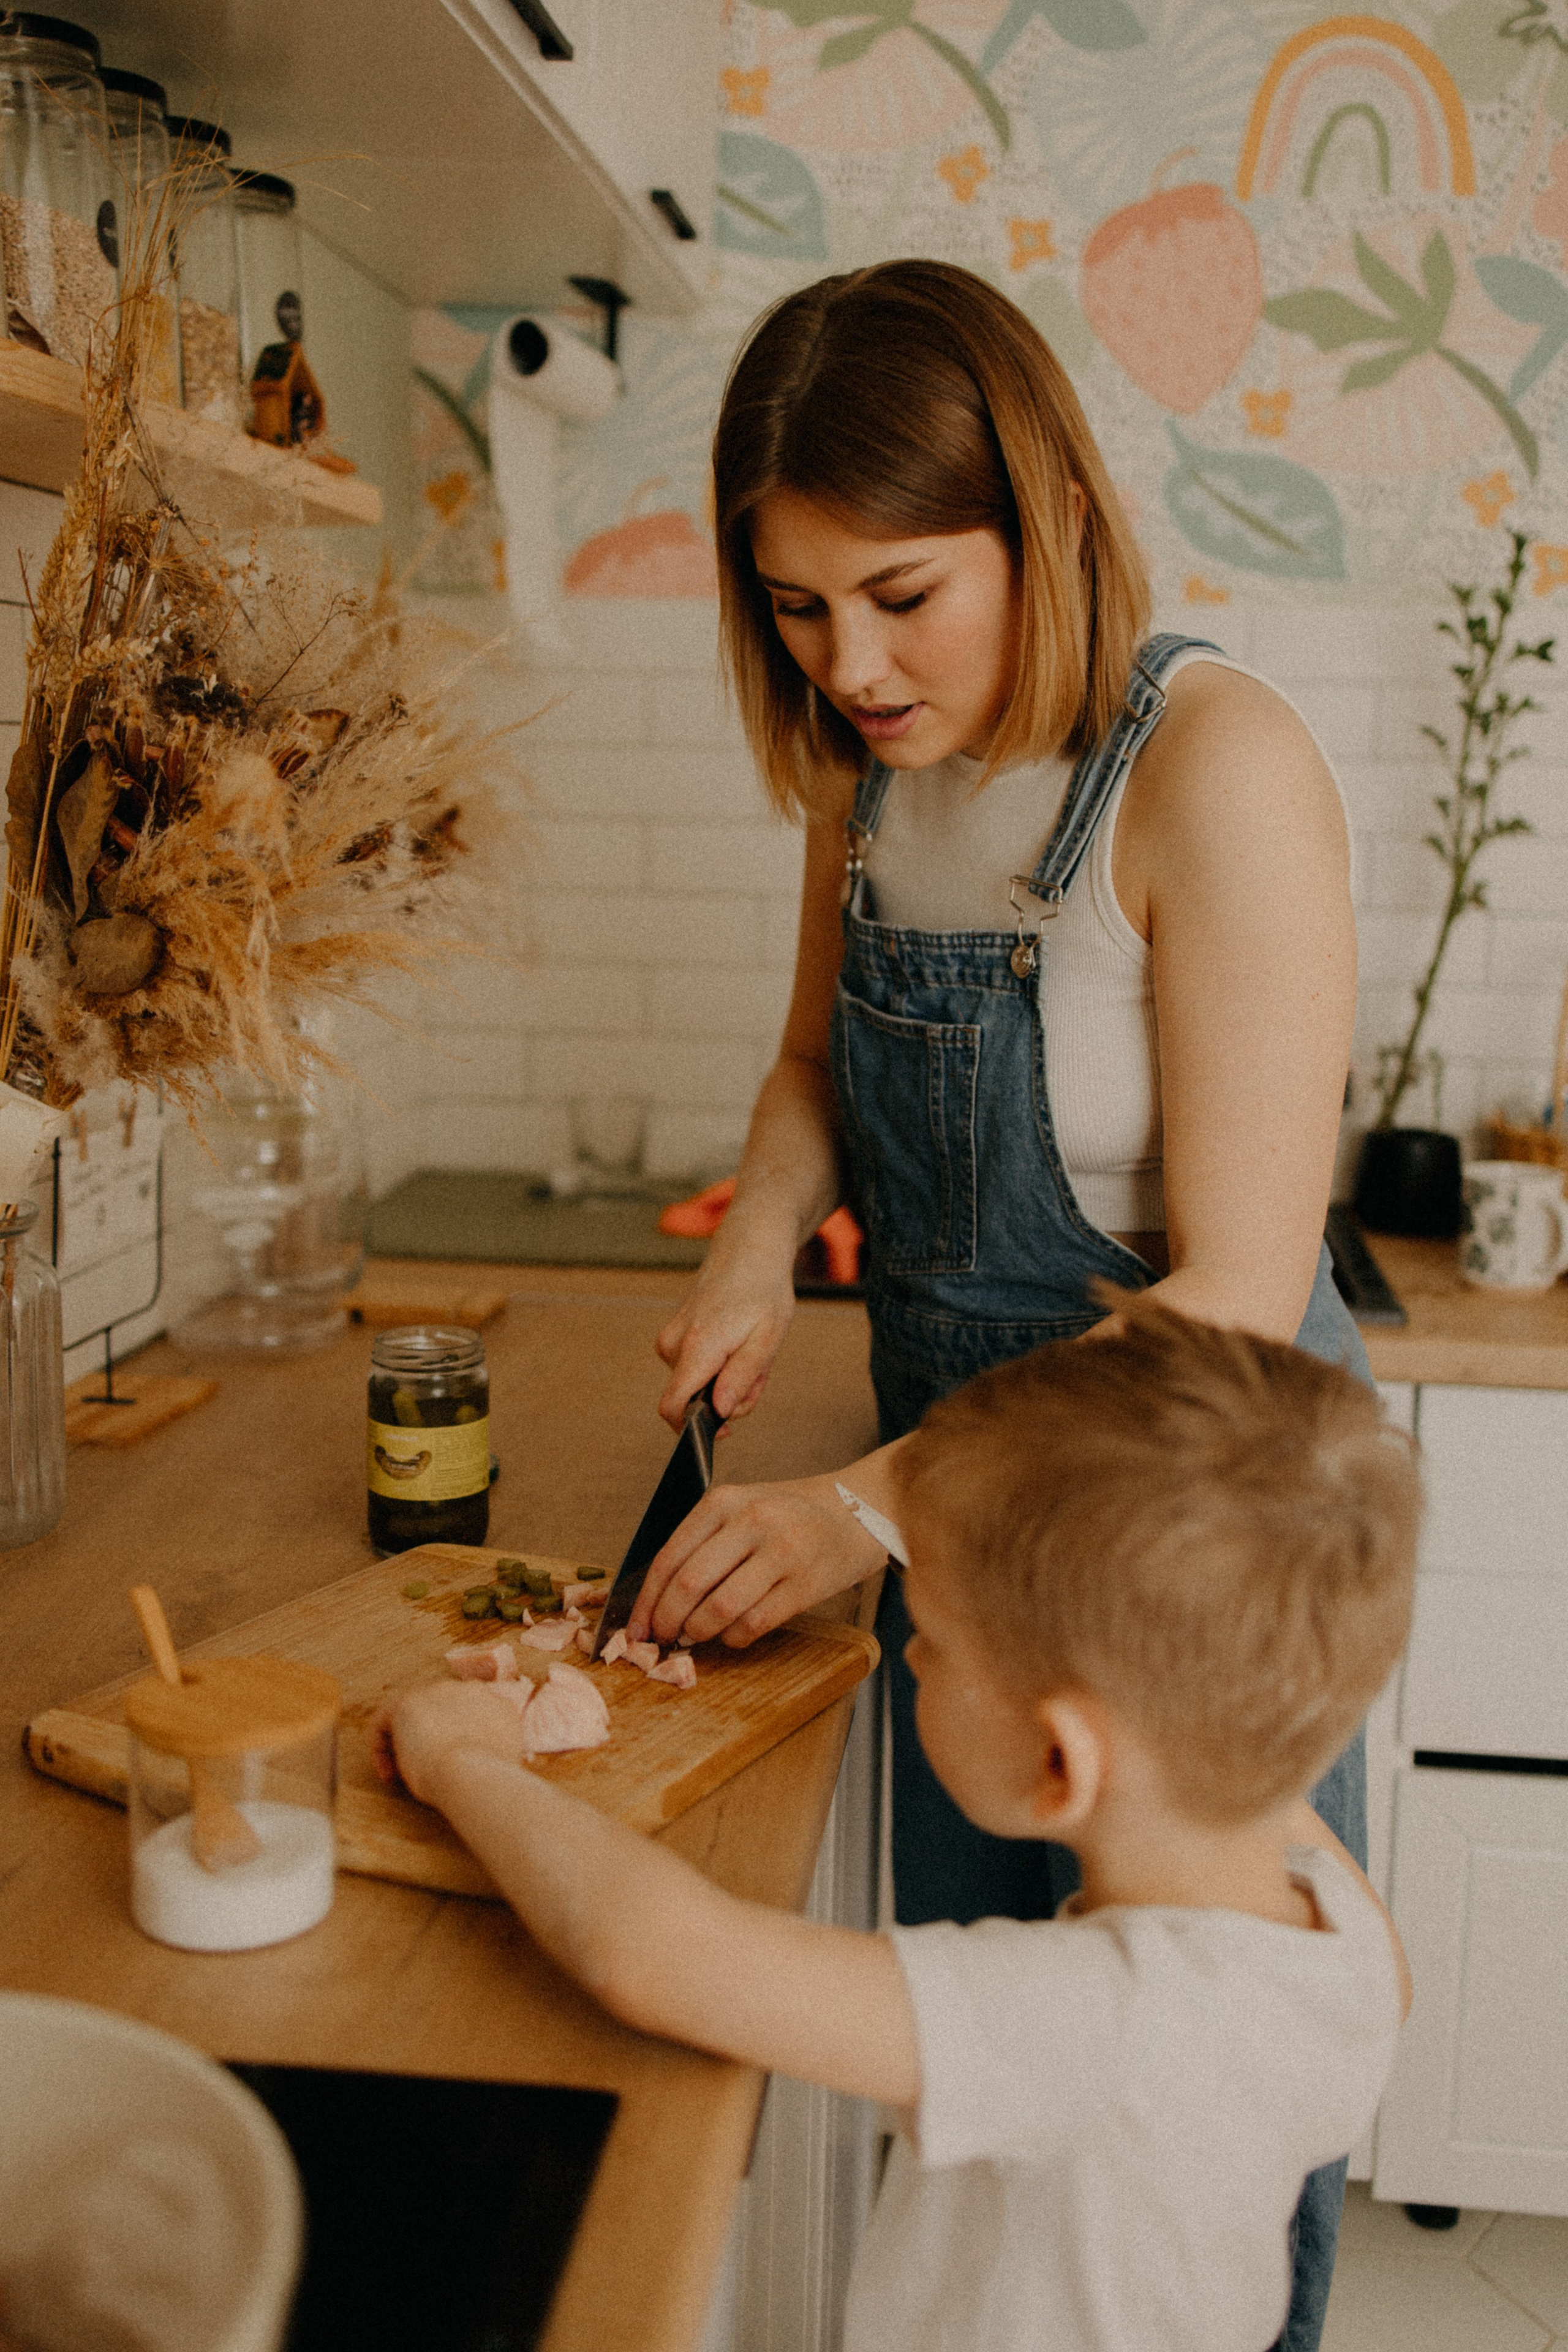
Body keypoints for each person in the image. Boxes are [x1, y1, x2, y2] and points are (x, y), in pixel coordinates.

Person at [629, 258, 1370, 2348]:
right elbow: (809, 1073)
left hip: (1194, 1548)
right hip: (953, 1530)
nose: (849, 666)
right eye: (794, 605)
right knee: (991, 2067)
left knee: (1192, 2121)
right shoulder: (872, 777)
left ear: (1039, 515)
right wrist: (759, 1246)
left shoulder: (1214, 768)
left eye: (900, 594)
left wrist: (862, 1509)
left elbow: (1232, 1298)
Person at [376, 1304, 1418, 2352]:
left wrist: (462, 1760)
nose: (910, 1656)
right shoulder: (1347, 1943)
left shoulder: (1095, 2024)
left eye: (937, 1642)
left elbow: (651, 1955)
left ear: (1061, 1762)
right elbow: (1245, 1752)